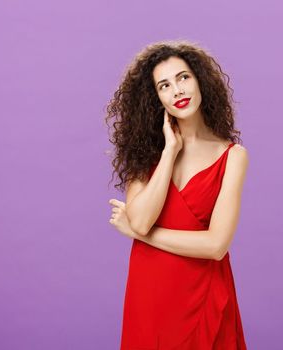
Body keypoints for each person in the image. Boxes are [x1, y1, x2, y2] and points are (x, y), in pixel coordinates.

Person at [104, 40, 249, 349]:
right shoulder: (146, 155)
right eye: (164, 85)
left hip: (203, 293)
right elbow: (141, 220)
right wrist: (170, 152)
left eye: (184, 77)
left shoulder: (233, 156)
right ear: (155, 98)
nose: (177, 90)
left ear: (200, 80)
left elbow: (215, 246)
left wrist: (141, 236)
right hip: (151, 292)